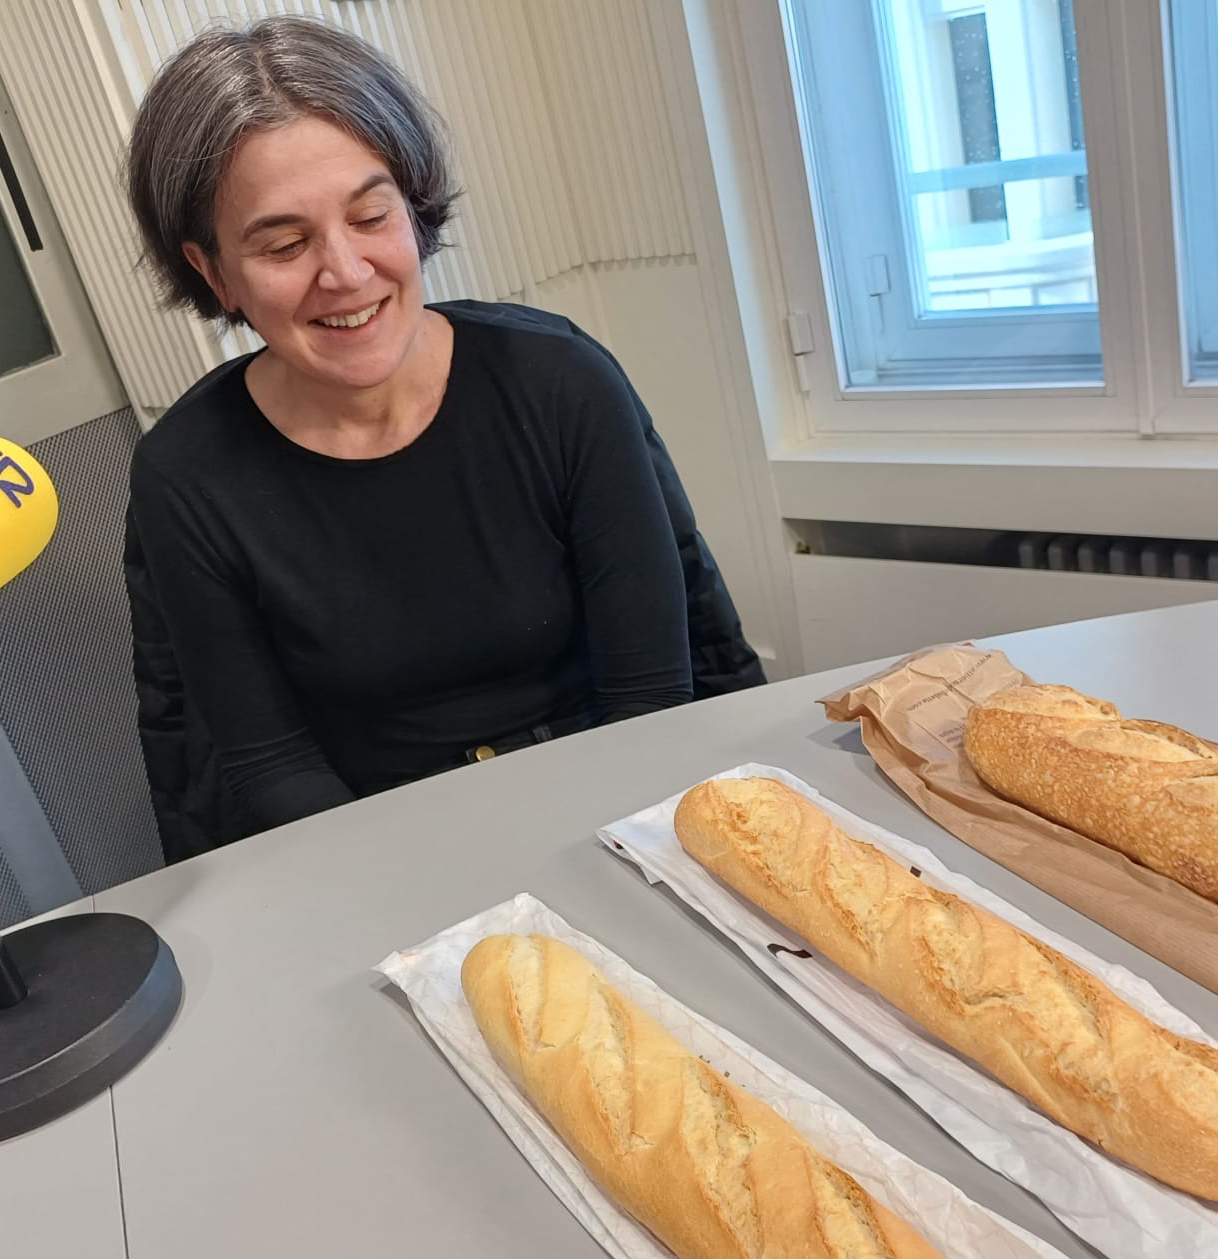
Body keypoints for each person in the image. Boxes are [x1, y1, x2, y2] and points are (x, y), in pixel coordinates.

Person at [121, 16, 763, 858]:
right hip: (376, 839)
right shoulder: (189, 476)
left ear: (413, 208)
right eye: (283, 244)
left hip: (612, 800)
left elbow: (648, 692)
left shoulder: (559, 384)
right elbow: (271, 764)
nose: (345, 274)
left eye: (370, 216)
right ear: (213, 272)